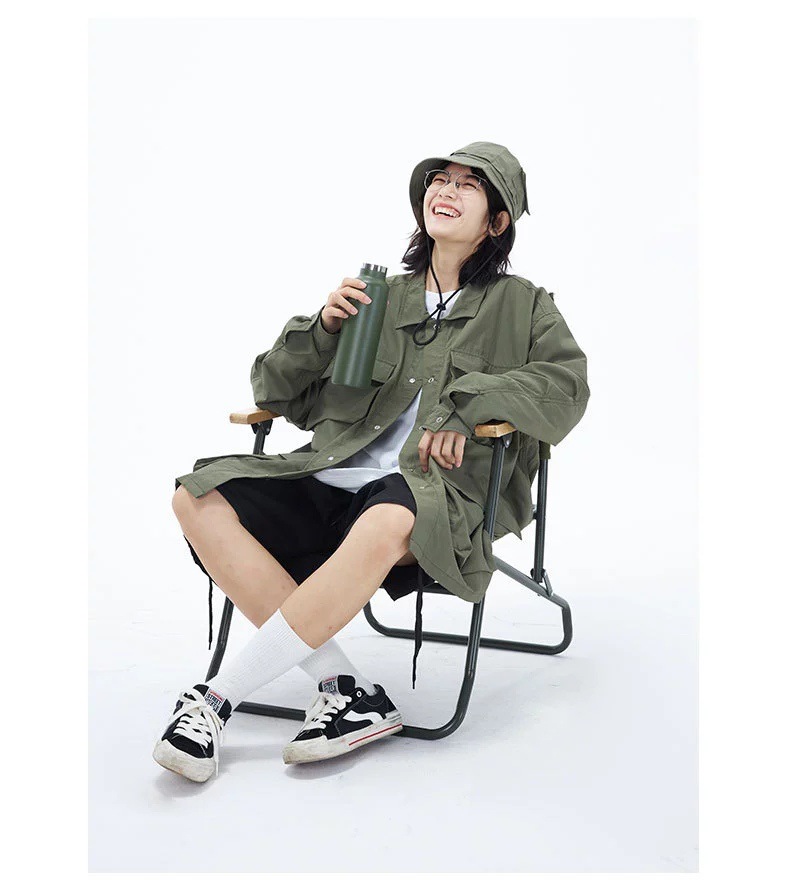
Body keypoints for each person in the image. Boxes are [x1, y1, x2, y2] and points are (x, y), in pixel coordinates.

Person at [153, 142, 590, 783]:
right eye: (440, 179)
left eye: (469, 185)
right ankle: (348, 690)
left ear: (497, 221)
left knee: (387, 515)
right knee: (196, 495)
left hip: (435, 494)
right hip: (330, 475)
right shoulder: (378, 296)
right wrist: (322, 330)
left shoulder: (523, 306)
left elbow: (566, 388)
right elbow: (274, 391)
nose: (446, 189)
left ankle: (217, 699)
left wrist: (469, 404)